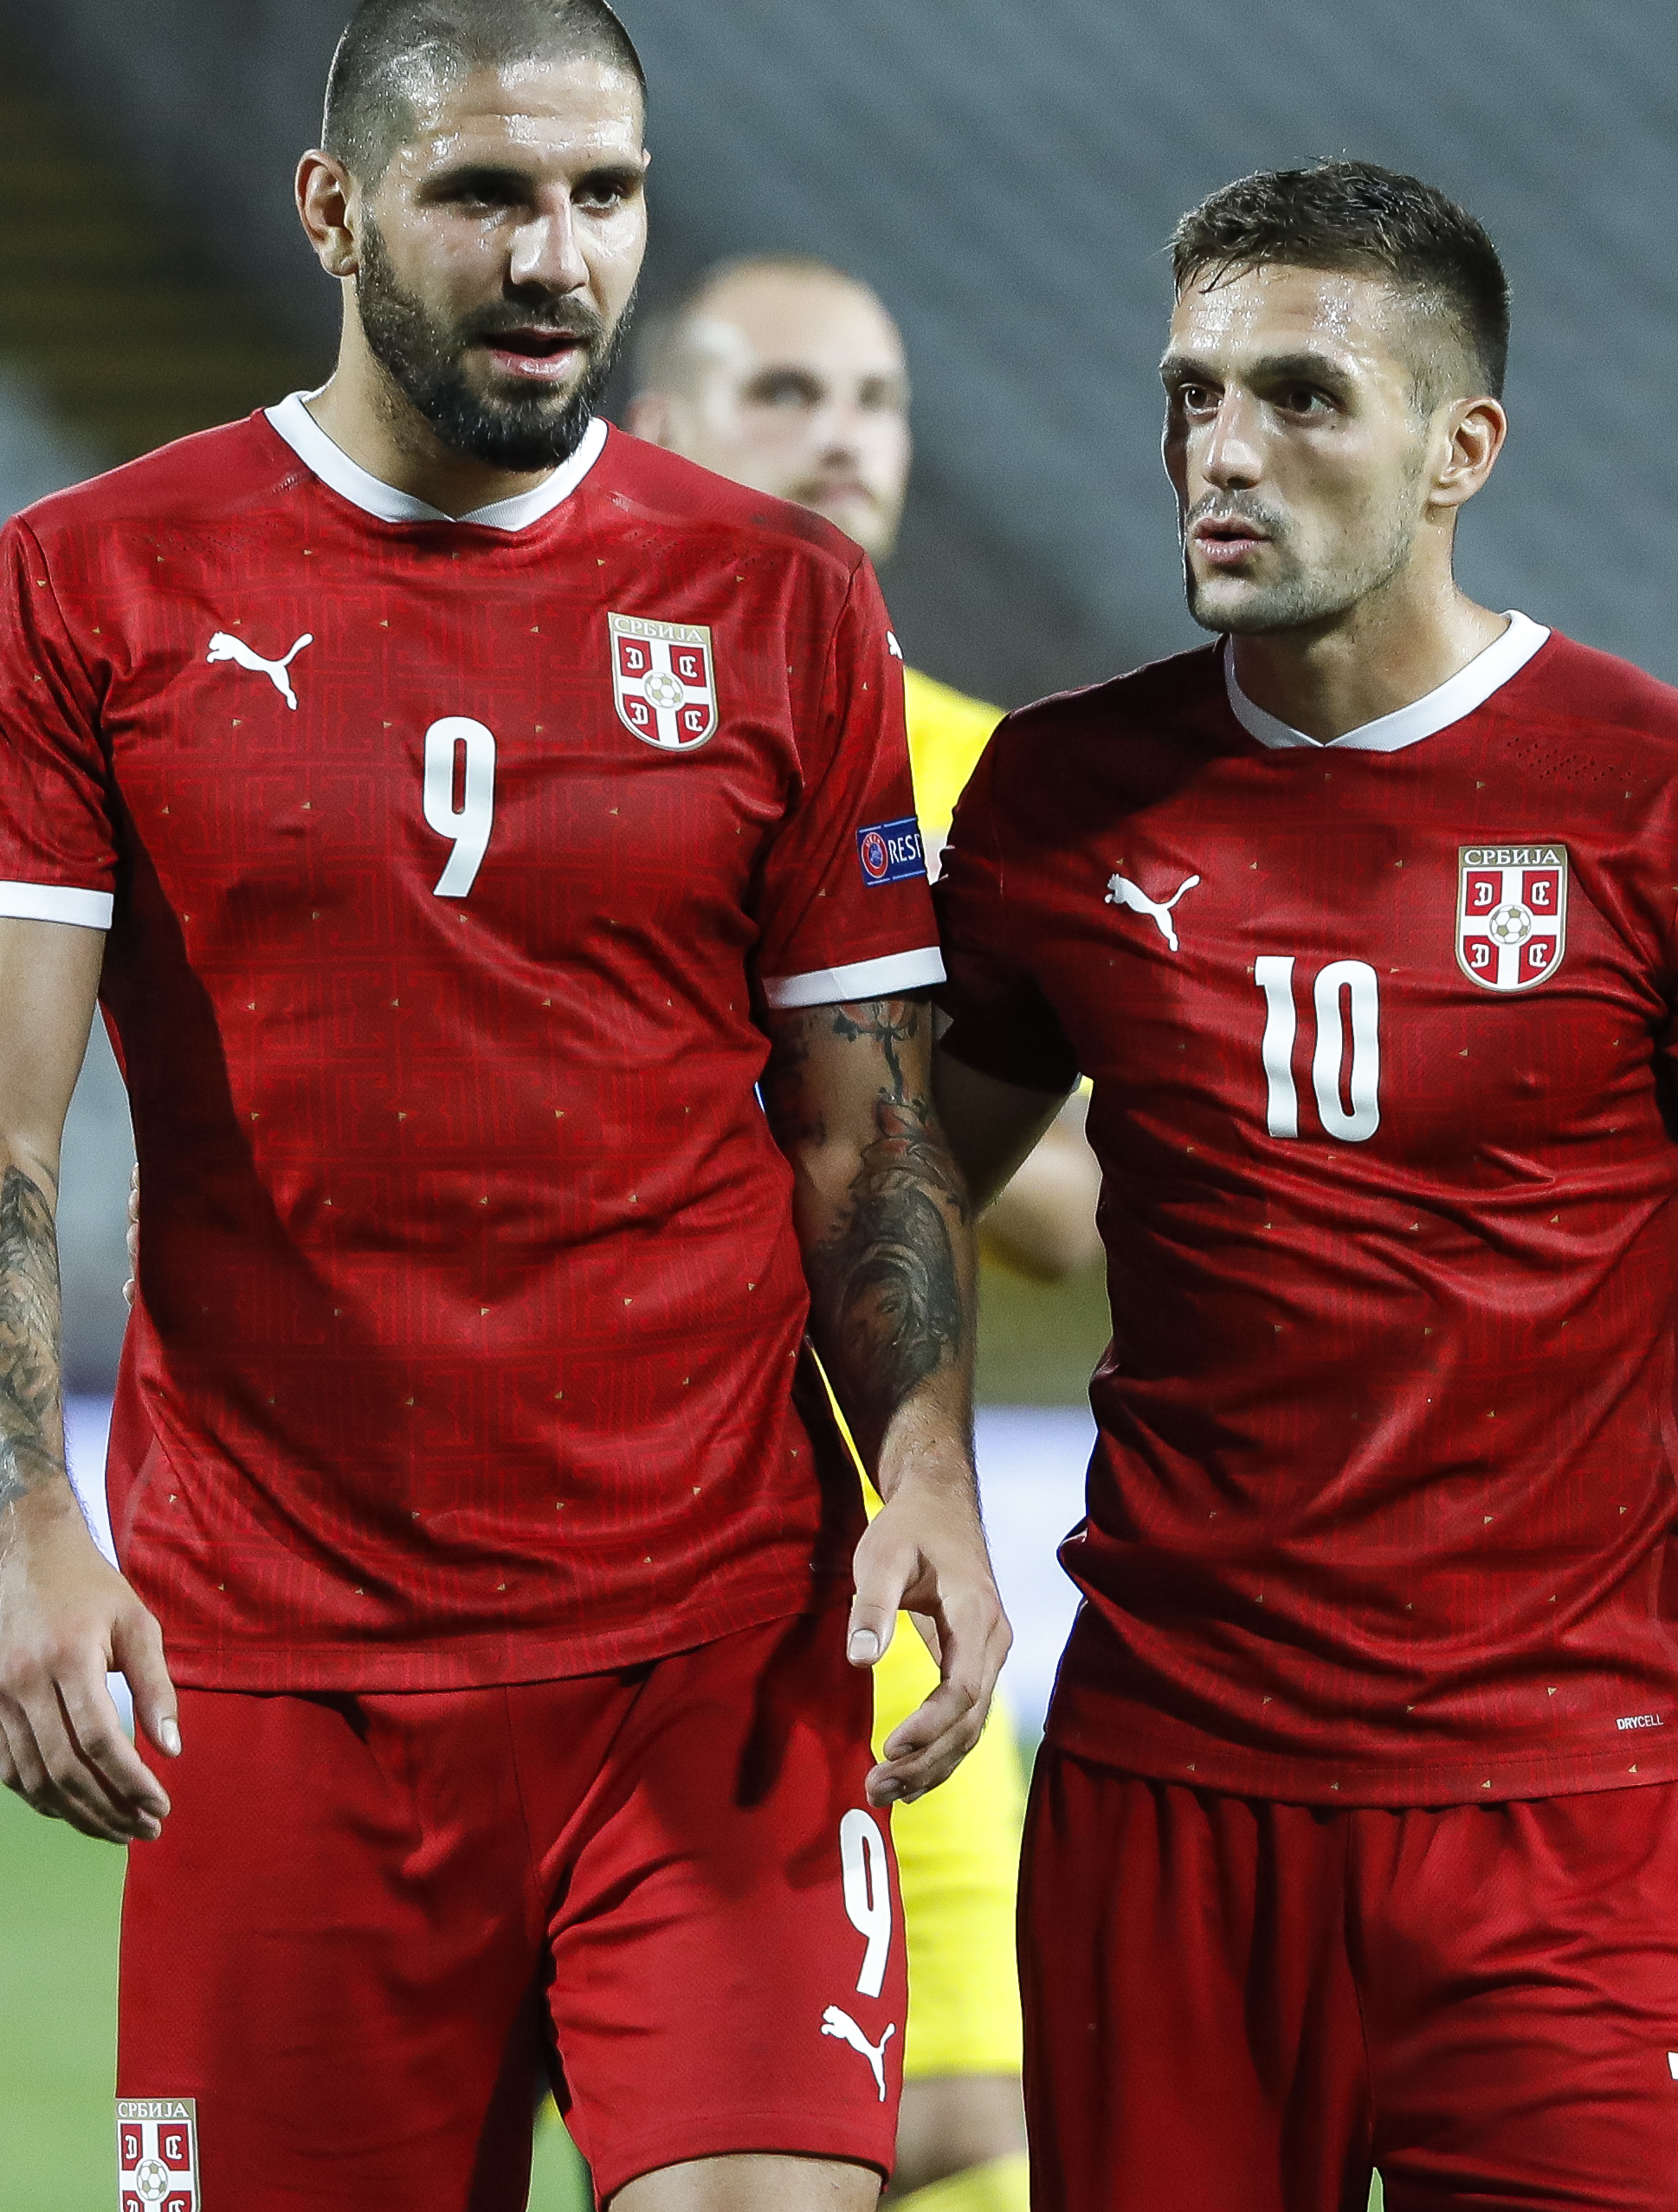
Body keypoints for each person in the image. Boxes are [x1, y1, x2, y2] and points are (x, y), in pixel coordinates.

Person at [0, 0, 1006, 2212]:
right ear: (331, 207)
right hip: (284, 1680)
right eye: (483, 191)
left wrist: (929, 1458)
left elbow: (863, 1124)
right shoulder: (90, 587)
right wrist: (21, 1528)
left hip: (710, 1657)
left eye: (602, 193)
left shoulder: (785, 603)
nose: (553, 254)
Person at [926, 160, 1678, 2210]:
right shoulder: (1067, 798)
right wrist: (908, 1468)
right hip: (1167, 1803)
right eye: (1188, 392)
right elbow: (886, 1191)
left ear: (1460, 447)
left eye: (1300, 396)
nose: (1218, 450)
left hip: (1565, 1823)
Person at [628, 251, 1077, 2212]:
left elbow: (1075, 1203)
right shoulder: (580, 735)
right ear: (657, 429)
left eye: (875, 401)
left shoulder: (984, 771)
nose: (841, 438)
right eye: (784, 392)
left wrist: (857, 1134)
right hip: (626, 1555)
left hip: (892, 1550)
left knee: (970, 2117)